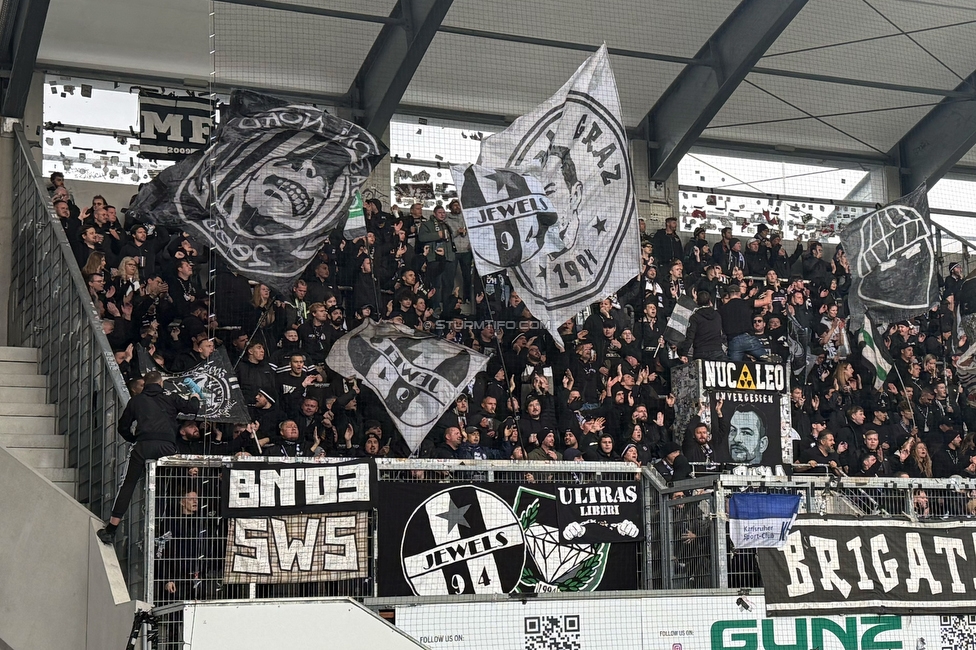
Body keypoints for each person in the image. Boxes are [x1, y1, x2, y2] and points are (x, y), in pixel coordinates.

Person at [97, 371, 201, 544]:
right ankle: (159, 528)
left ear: (145, 385)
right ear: (161, 384)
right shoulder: (171, 398)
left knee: (128, 484)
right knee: (163, 487)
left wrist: (133, 439)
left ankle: (111, 530)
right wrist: (195, 395)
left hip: (143, 445)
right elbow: (193, 408)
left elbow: (122, 427)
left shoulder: (136, 401)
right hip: (167, 447)